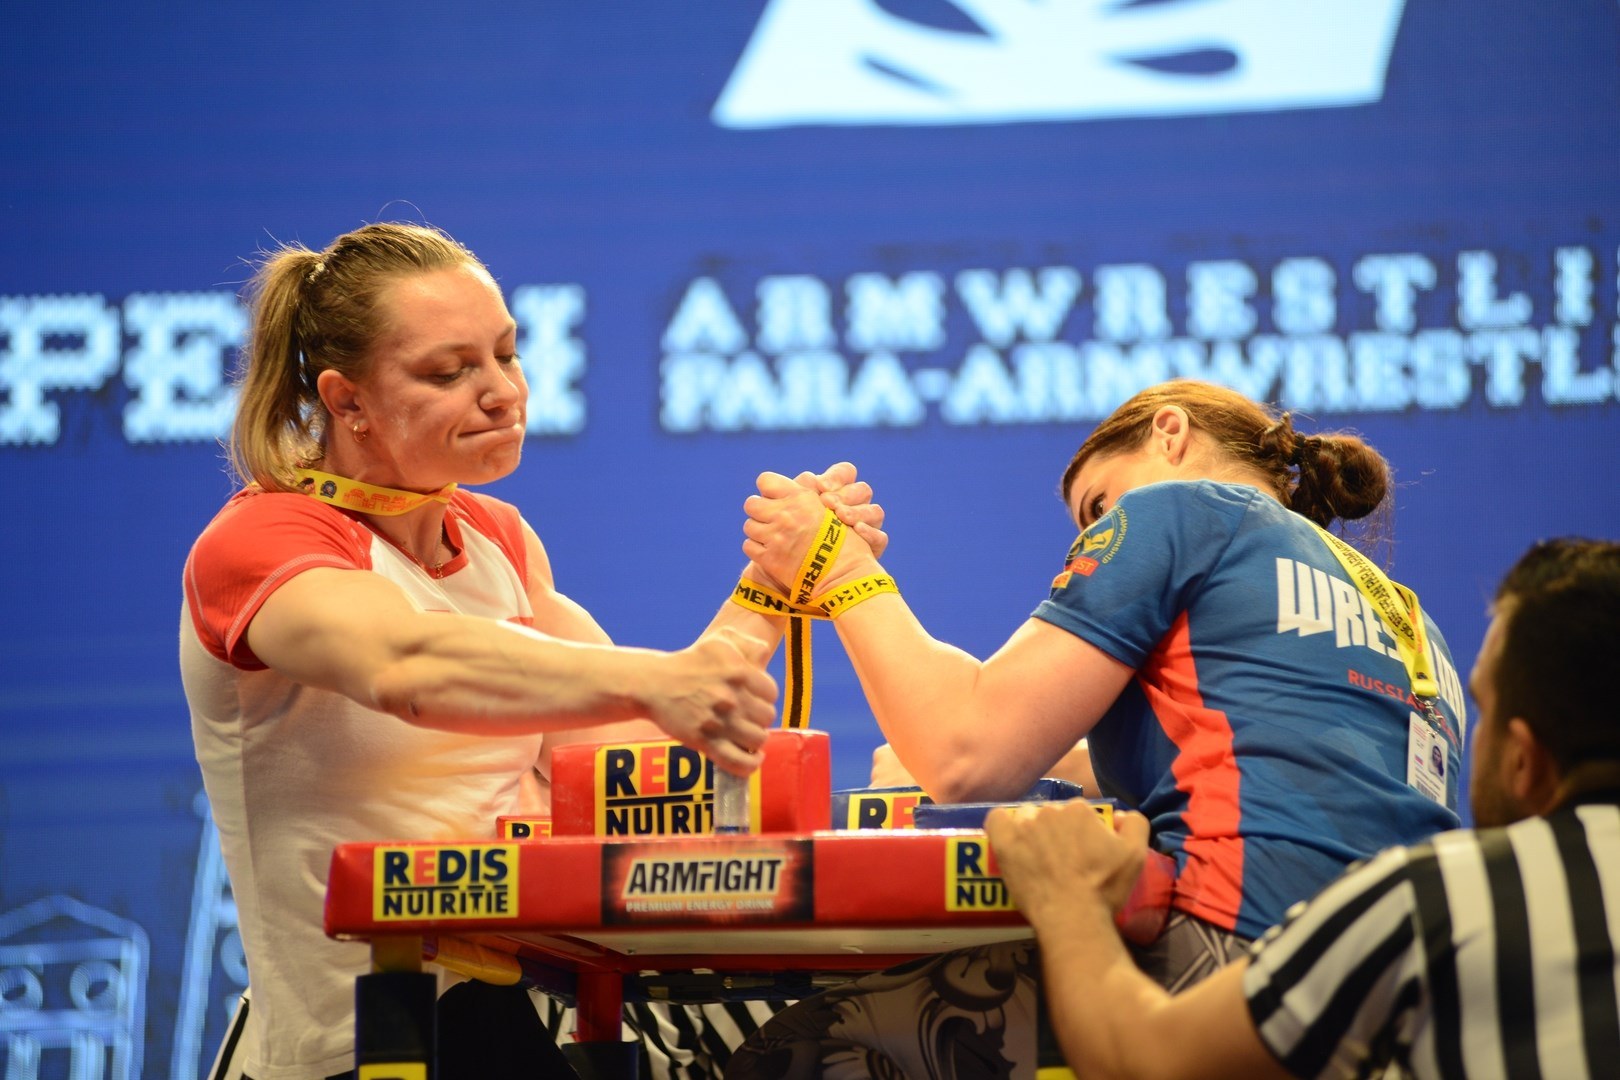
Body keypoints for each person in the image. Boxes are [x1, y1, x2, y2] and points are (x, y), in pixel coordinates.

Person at [180, 221, 877, 1080]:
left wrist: (776, 582)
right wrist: (663, 679)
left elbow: (622, 755)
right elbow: (409, 666)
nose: (503, 392)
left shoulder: (498, 537)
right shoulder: (259, 541)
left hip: (519, 1001)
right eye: (449, 372)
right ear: (346, 400)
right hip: (353, 1044)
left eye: (506, 355)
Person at [727, 379, 1466, 1077]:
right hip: (1408, 1007)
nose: (1098, 532)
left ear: (1170, 433)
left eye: (1098, 506)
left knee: (794, 1047)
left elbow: (966, 755)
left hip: (1236, 965)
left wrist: (838, 567)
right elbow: (1236, 760)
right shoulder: (1409, 619)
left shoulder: (1185, 509)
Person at [984, 536, 1620, 1079]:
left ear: (1524, 759)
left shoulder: (1437, 897)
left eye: (1483, 707)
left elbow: (1148, 1061)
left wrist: (1067, 897)